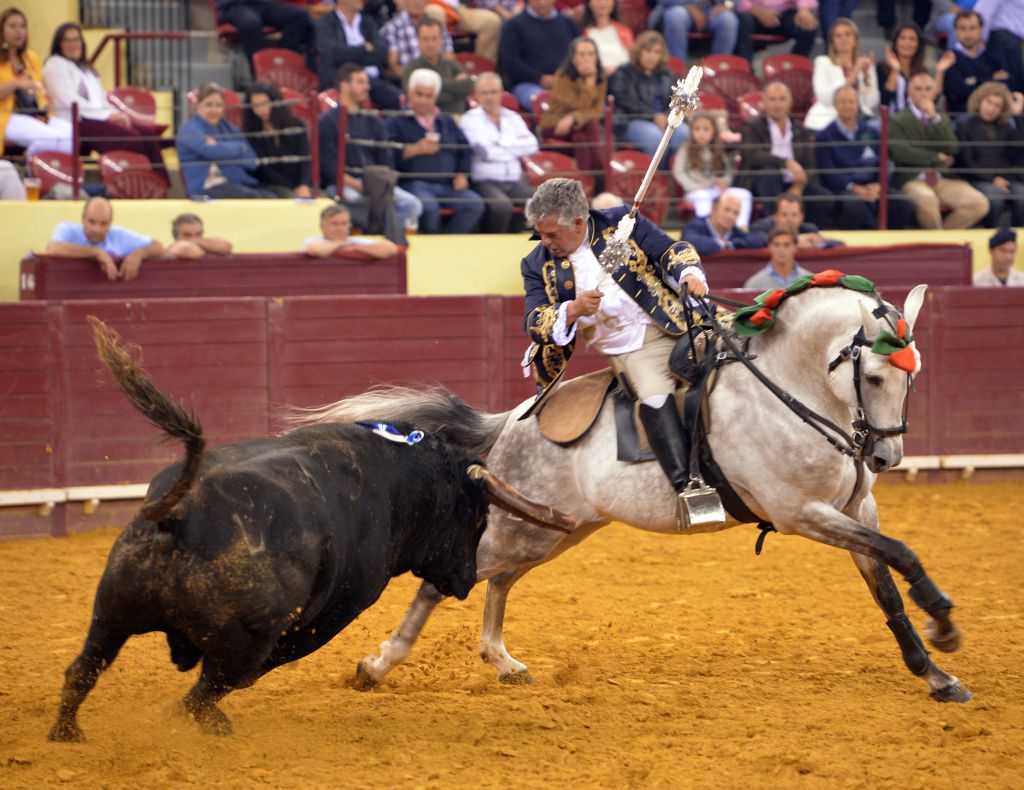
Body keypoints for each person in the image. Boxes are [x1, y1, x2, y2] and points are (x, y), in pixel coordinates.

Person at [521, 176, 711, 530]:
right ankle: (688, 485)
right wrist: (573, 310)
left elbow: (670, 251)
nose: (545, 242)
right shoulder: (537, 264)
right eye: (542, 234)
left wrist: (689, 273)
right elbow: (534, 322)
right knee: (654, 396)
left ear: (578, 222)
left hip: (679, 320)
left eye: (552, 235)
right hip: (633, 346)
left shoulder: (622, 223)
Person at [42, 22, 166, 179]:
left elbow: (101, 100)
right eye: (68, 40)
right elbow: (69, 100)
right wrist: (107, 117)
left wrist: (118, 115)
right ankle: (133, 185)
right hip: (77, 121)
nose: (74, 44)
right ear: (59, 44)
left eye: (77, 39)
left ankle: (161, 184)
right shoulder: (54, 65)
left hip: (98, 117)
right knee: (130, 137)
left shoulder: (86, 68)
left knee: (148, 135)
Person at [318, 64, 423, 234]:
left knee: (412, 205)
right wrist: (357, 184)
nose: (367, 87)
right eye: (360, 82)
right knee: (358, 202)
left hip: (375, 184)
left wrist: (379, 184)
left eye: (366, 82)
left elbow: (385, 160)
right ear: (344, 85)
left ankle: (385, 240)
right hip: (343, 184)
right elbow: (329, 166)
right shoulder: (327, 122)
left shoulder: (374, 120)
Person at [387, 68, 485, 233]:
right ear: (409, 93)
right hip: (414, 184)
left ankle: (448, 245)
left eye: (429, 96)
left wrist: (462, 173)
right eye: (419, 94)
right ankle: (432, 245)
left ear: (436, 96)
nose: (423, 100)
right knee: (428, 208)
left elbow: (464, 148)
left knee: (474, 204)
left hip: (448, 186)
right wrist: (413, 150)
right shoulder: (395, 121)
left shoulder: (447, 121)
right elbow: (385, 154)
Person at [889, 71, 989, 230]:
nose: (923, 94)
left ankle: (941, 240)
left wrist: (934, 118)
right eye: (918, 89)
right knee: (927, 200)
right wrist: (936, 157)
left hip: (941, 178)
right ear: (909, 93)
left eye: (928, 89)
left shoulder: (940, 118)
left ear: (935, 93)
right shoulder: (897, 119)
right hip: (912, 179)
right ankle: (939, 244)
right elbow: (901, 152)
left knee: (979, 203)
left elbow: (952, 147)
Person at [736, 80, 834, 230]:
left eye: (782, 99)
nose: (777, 104)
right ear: (763, 103)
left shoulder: (801, 130)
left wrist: (798, 186)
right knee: (769, 172)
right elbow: (752, 155)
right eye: (772, 99)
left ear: (790, 102)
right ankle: (776, 229)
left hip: (794, 182)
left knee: (824, 198)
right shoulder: (752, 126)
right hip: (761, 182)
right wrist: (785, 162)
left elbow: (810, 164)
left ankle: (806, 231)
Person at [815, 84, 914, 230]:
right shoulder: (825, 136)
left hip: (872, 185)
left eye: (851, 102)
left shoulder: (871, 132)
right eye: (843, 102)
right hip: (844, 189)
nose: (848, 106)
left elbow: (883, 162)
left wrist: (879, 185)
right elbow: (828, 171)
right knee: (855, 206)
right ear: (835, 106)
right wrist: (854, 188)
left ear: (857, 104)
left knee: (904, 204)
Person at [459, 71, 538, 233]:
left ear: (501, 93)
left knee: (543, 202)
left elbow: (532, 145)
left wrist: (500, 144)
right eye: (484, 93)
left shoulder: (513, 117)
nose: (489, 97)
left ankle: (523, 242)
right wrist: (515, 148)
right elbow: (485, 152)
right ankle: (495, 243)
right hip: (485, 180)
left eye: (493, 92)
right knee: (502, 206)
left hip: (514, 180)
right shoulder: (469, 119)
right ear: (476, 96)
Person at [176, 82, 275, 199]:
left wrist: (219, 146)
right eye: (209, 105)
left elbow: (251, 161)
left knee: (272, 197)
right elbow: (210, 151)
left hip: (238, 182)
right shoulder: (189, 129)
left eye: (218, 105)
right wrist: (239, 148)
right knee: (252, 197)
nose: (214, 110)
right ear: (197, 105)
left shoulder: (229, 127)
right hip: (207, 188)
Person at [0, 7, 73, 161]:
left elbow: (39, 89)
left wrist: (42, 99)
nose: (18, 31)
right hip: (6, 115)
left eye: (22, 26)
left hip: (33, 113)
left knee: (70, 134)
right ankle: (32, 170)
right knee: (51, 138)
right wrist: (15, 84)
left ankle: (50, 174)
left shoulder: (31, 58)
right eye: (12, 26)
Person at [608, 31, 688, 159]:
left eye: (657, 52)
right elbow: (626, 101)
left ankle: (672, 175)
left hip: (664, 120)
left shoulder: (667, 74)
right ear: (639, 51)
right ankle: (656, 177)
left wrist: (668, 117)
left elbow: (675, 100)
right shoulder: (624, 73)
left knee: (683, 132)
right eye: (648, 51)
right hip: (632, 120)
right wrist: (653, 117)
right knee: (654, 137)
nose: (652, 56)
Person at [955, 81, 1024, 227]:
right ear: (980, 100)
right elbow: (966, 162)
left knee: (1021, 194)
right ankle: (990, 237)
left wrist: (1017, 115)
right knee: (995, 196)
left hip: (1004, 177)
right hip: (976, 177)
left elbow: (1019, 150)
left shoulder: (1005, 126)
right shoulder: (963, 125)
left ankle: (1017, 239)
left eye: (997, 105)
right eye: (989, 102)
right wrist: (992, 179)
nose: (991, 108)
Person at [538, 37, 608, 182]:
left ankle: (584, 181)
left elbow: (597, 111)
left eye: (591, 54)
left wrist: (574, 118)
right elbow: (577, 105)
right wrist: (589, 84)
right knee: (590, 125)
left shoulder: (600, 77)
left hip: (579, 127)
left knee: (582, 134)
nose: (587, 59)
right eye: (582, 54)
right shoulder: (562, 76)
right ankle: (599, 177)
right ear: (573, 59)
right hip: (555, 124)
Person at [46, 196, 163, 281]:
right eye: (92, 222)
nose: (97, 229)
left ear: (111, 222)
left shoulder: (118, 234)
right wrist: (96, 252)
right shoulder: (68, 229)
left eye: (103, 224)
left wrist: (139, 254)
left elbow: (158, 246)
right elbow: (54, 247)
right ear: (83, 218)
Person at [316, 0, 401, 109]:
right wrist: (363, 48)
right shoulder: (327, 22)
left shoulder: (367, 21)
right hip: (344, 79)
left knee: (399, 97)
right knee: (392, 95)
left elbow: (381, 54)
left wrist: (349, 55)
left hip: (375, 78)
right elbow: (333, 54)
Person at [672, 111, 752, 227]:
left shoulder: (717, 149)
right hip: (695, 191)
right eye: (697, 129)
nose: (701, 134)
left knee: (744, 194)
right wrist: (693, 187)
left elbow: (727, 171)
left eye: (706, 130)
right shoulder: (686, 148)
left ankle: (740, 228)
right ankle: (708, 230)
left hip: (715, 190)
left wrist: (724, 181)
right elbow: (679, 172)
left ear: (713, 132)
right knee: (703, 197)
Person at [498, 0, 580, 111]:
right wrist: (540, 78)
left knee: (592, 101)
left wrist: (564, 78)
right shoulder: (513, 26)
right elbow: (509, 62)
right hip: (527, 85)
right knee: (545, 103)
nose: (542, 2)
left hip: (566, 82)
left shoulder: (569, 24)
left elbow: (579, 56)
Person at [804, 17, 879, 132]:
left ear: (855, 39)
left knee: (878, 127)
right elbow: (826, 99)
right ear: (832, 42)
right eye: (838, 36)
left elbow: (872, 102)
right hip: (829, 117)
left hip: (861, 118)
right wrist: (854, 73)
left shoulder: (865, 64)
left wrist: (865, 76)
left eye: (847, 34)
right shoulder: (823, 62)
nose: (843, 39)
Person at [936, 10, 1015, 117]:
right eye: (963, 28)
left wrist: (975, 81)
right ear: (955, 31)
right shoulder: (948, 59)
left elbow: (1008, 84)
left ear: (981, 29)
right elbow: (959, 91)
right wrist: (991, 79)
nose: (968, 33)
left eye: (972, 28)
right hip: (962, 119)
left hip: (996, 118)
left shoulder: (993, 57)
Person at [242, 82, 313, 199]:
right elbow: (264, 169)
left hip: (301, 183)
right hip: (271, 184)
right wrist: (292, 188)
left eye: (265, 104)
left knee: (324, 200)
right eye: (256, 106)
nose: (261, 110)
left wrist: (304, 184)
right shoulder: (251, 132)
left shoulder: (296, 124)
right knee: (294, 200)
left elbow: (305, 158)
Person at [402, 18, 474, 115]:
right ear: (418, 41)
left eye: (434, 38)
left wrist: (436, 84)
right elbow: (416, 100)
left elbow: (468, 85)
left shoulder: (450, 63)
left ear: (440, 40)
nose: (430, 44)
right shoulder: (412, 68)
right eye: (425, 39)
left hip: (459, 120)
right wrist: (457, 92)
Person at [213, 0, 314, 68]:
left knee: (298, 15)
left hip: (262, 3)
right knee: (251, 23)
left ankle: (282, 63)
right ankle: (259, 74)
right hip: (234, 5)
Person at [649, 0, 741, 65]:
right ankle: (677, 70)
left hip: (712, 9)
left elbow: (733, 2)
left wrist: (727, 5)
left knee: (728, 20)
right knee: (675, 16)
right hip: (679, 7)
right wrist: (689, 7)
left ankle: (719, 70)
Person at [382, 0, 455, 81]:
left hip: (439, 80)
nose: (417, 2)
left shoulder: (437, 26)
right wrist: (417, 81)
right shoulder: (392, 28)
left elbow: (449, 57)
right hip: (407, 82)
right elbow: (392, 65)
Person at [681, 192, 765, 256]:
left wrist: (731, 244)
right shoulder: (696, 225)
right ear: (714, 208)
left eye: (736, 213)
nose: (731, 216)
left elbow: (758, 240)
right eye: (727, 210)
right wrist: (721, 244)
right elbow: (689, 242)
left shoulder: (734, 231)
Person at [302, 203, 399, 258]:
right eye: (334, 223)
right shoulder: (312, 241)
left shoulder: (354, 243)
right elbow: (317, 250)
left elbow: (391, 249)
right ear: (322, 227)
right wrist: (340, 244)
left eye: (344, 223)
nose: (340, 228)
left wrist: (356, 247)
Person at [750, 191, 843, 248]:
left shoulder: (809, 229)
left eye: (794, 215)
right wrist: (796, 241)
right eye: (784, 214)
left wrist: (820, 242)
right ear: (776, 216)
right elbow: (759, 239)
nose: (789, 219)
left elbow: (840, 244)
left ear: (801, 217)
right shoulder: (762, 227)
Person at [735, 0, 818, 61]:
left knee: (807, 25)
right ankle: (746, 73)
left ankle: (794, 68)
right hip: (751, 13)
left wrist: (804, 10)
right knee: (739, 23)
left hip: (784, 13)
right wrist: (756, 11)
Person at [423, 0, 501, 63]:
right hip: (430, 6)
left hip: (455, 9)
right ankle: (443, 69)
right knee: (435, 13)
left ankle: (483, 71)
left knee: (491, 21)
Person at [876, 23, 927, 112]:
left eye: (912, 39)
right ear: (896, 42)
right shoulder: (882, 68)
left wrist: (940, 71)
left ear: (918, 44)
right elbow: (884, 101)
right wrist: (895, 70)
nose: (907, 43)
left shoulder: (923, 71)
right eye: (902, 38)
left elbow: (930, 100)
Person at [742, 226, 811, 290]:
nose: (781, 250)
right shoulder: (754, 284)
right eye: (776, 245)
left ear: (795, 247)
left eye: (786, 245)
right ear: (770, 247)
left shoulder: (810, 281)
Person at [582, 0, 633, 76]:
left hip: (624, 78)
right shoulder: (582, 32)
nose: (602, 3)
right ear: (589, 3)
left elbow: (632, 56)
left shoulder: (624, 30)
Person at [164, 213, 234, 259]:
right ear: (176, 237)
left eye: (198, 234)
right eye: (187, 235)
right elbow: (187, 249)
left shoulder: (205, 245)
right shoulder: (172, 250)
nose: (193, 239)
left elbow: (227, 246)